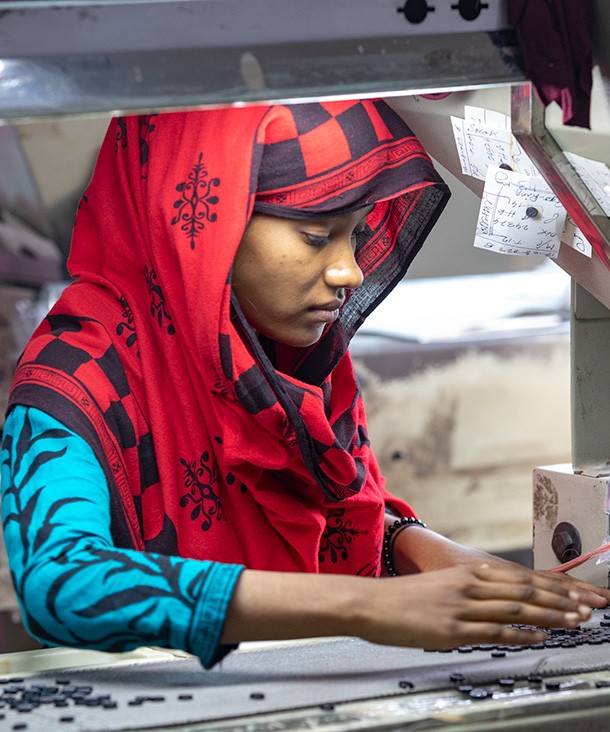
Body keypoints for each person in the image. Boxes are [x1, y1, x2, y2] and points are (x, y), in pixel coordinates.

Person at [1, 100, 608, 669]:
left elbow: (341, 515)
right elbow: (62, 582)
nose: (349, 271)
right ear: (203, 228)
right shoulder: (77, 370)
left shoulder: (284, 355)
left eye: (355, 232)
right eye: (317, 237)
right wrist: (365, 607)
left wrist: (411, 545)